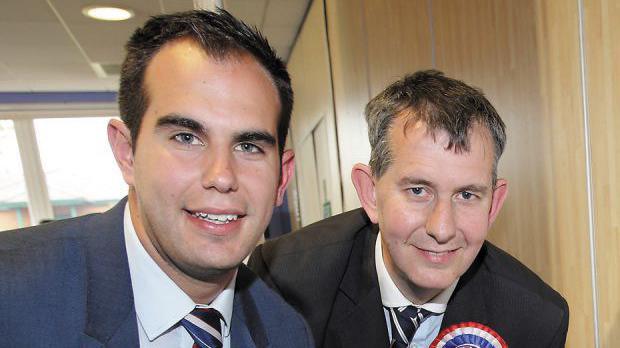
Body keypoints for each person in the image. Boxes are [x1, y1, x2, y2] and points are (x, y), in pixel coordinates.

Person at [0, 9, 314, 348]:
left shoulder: (287, 332)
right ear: (126, 152)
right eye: (186, 137)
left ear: (282, 178)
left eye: (249, 146)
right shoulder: (13, 297)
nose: (222, 176)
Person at [249, 70, 569, 347]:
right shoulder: (286, 282)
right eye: (418, 190)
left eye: (467, 195)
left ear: (494, 204)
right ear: (370, 193)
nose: (442, 229)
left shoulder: (536, 320)